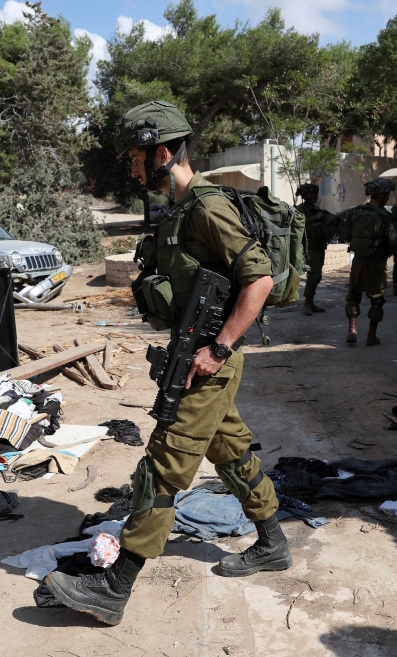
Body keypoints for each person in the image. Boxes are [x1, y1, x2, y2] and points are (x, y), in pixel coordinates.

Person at [45, 101, 290, 626]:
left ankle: (114, 586)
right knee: (229, 451)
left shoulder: (206, 207)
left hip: (208, 361)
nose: (132, 168)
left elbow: (260, 279)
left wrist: (219, 348)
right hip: (196, 355)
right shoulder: (175, 211)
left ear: (162, 152)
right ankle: (273, 541)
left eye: (136, 157)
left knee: (163, 467)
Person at [343, 178, 396, 346]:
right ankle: (371, 336)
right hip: (377, 262)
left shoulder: (355, 212)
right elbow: (393, 241)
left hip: (358, 260)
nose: (388, 196)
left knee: (354, 295)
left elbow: (345, 236)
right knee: (377, 299)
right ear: (381, 195)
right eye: (387, 193)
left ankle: (352, 329)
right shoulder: (386, 216)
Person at [296, 183, 340, 316]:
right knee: (315, 274)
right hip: (308, 246)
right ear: (304, 195)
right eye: (310, 193)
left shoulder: (315, 209)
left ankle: (311, 302)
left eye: (314, 193)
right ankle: (307, 304)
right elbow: (296, 223)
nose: (313, 196)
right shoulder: (299, 209)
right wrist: (314, 218)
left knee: (316, 275)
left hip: (319, 246)